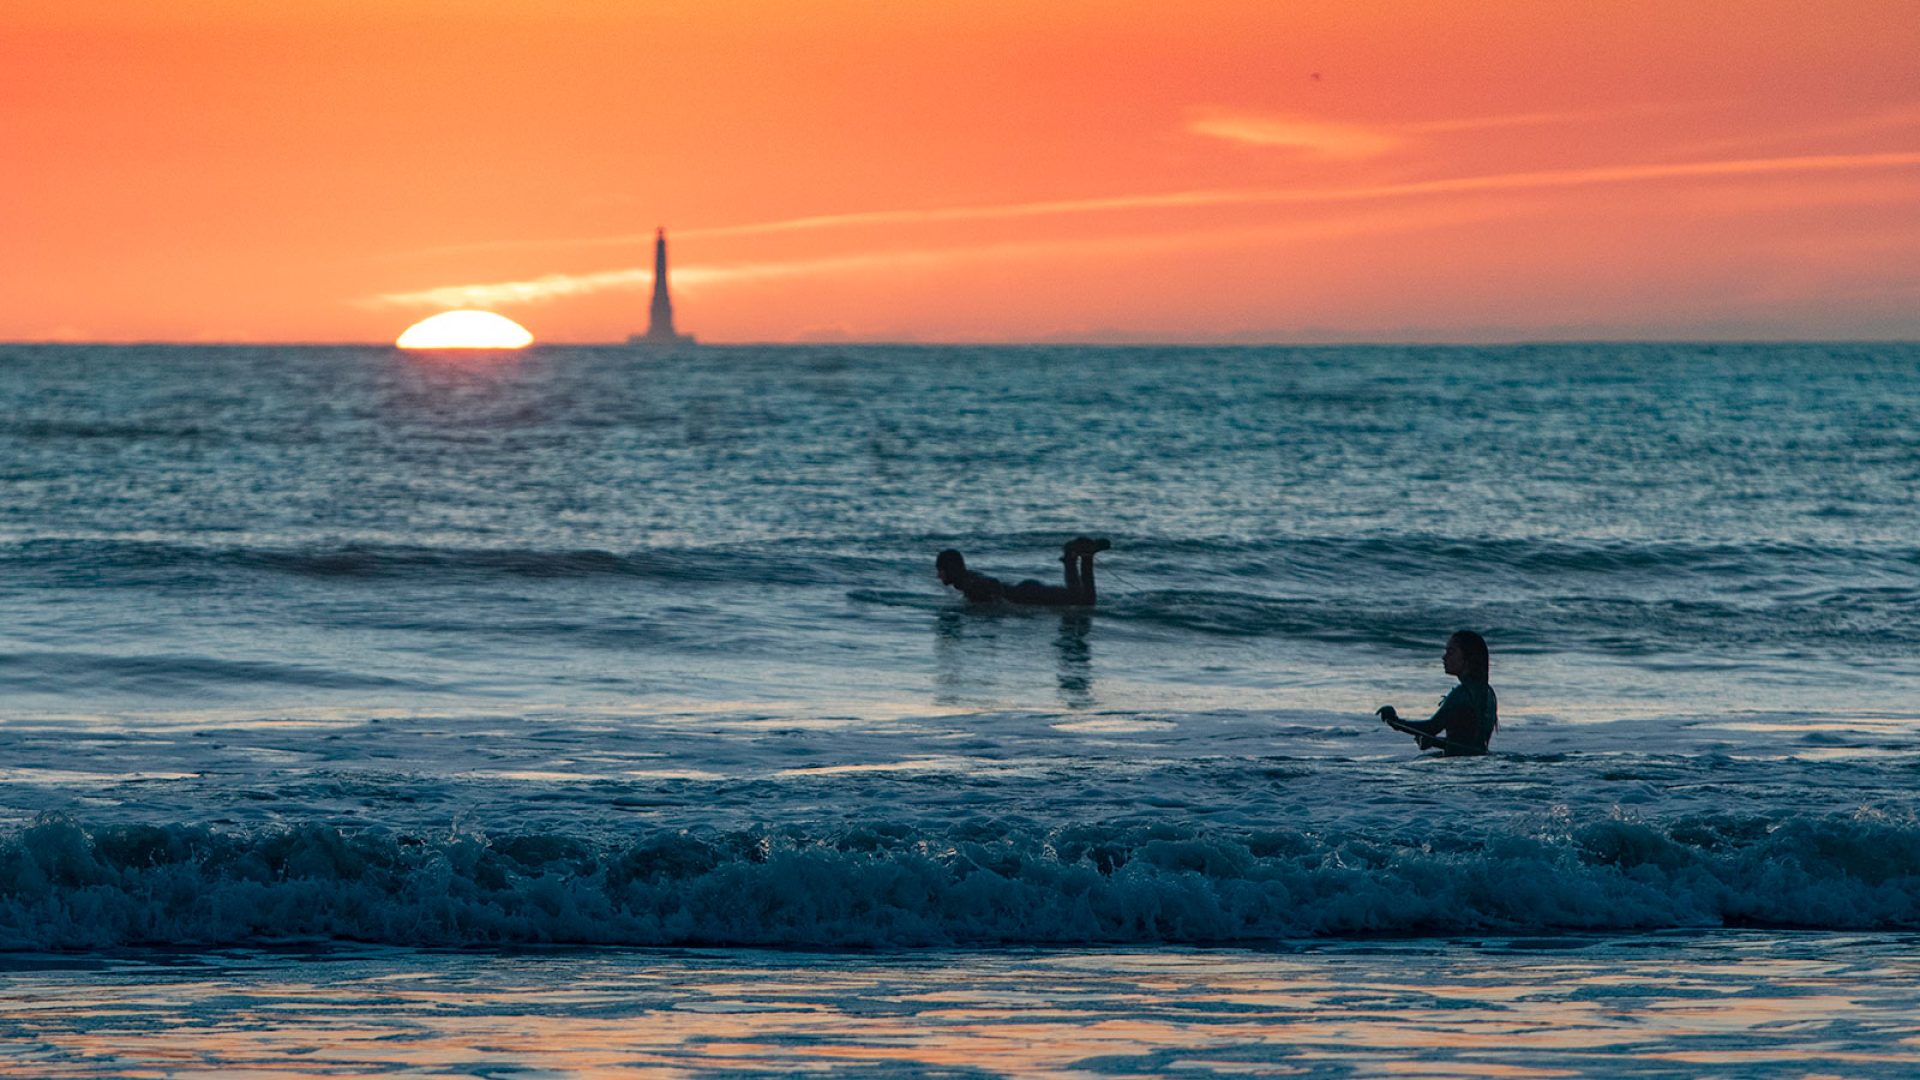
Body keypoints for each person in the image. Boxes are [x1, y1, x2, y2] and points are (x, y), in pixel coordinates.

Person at [1376, 630, 1497, 756]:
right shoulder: (1488, 693)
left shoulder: (1461, 693)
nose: (1444, 657)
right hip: (1479, 762)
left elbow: (1431, 728)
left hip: (1459, 767)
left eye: (1451, 652)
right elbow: (1468, 744)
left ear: (1468, 657)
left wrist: (1394, 721)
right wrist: (1435, 742)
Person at [936, 537, 1110, 606]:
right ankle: (1079, 557)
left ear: (949, 569)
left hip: (1028, 595)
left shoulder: (968, 584)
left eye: (940, 570)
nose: (939, 575)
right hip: (1026, 593)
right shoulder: (968, 578)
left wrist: (1001, 604)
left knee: (1083, 600)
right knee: (1082, 600)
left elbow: (993, 584)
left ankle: (1077, 556)